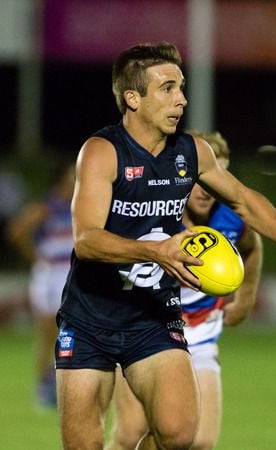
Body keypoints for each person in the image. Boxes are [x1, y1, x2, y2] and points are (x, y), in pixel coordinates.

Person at [56, 41, 276, 450]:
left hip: (152, 315)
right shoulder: (103, 152)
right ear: (133, 98)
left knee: (179, 433)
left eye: (181, 87)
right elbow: (87, 241)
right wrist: (158, 252)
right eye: (168, 88)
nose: (182, 100)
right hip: (90, 319)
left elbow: (242, 198)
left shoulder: (191, 152)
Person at [105, 130, 263, 450]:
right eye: (203, 176)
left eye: (221, 176)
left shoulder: (231, 218)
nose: (209, 189)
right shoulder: (156, 213)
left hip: (202, 333)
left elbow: (252, 246)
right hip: (147, 330)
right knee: (130, 432)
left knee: (200, 441)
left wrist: (245, 298)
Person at [7, 161, 76, 409]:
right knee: (48, 332)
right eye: (72, 174)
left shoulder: (78, 205)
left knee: (68, 333)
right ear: (61, 178)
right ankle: (43, 386)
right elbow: (16, 230)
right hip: (50, 275)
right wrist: (36, 256)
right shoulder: (47, 206)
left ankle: (62, 384)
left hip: (70, 274)